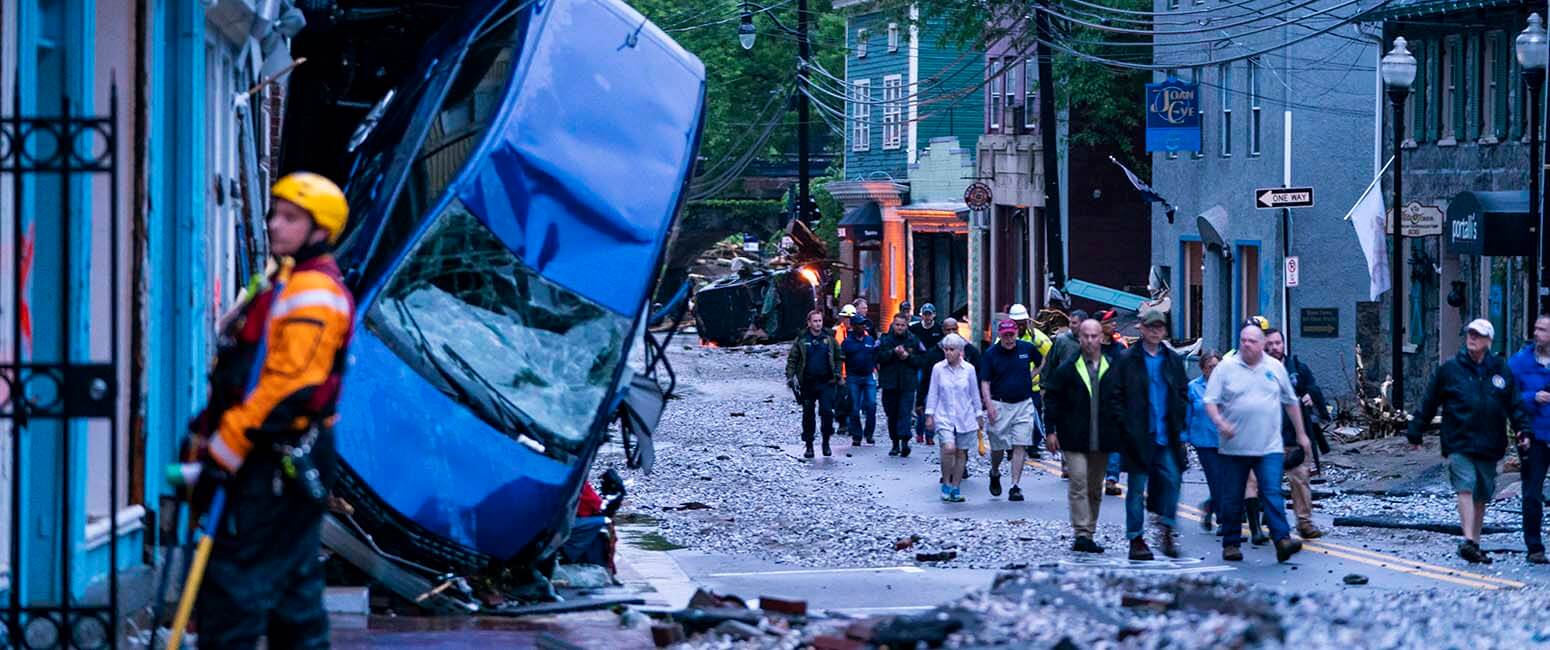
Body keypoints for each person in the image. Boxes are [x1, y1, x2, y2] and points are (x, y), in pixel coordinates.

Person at [185, 172, 355, 648]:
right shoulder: (284, 280)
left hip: (275, 455)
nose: (274, 225)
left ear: (320, 231)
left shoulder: (313, 295)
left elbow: (288, 387)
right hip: (278, 453)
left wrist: (225, 448)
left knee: (235, 587)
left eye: (290, 218)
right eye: (274, 214)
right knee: (292, 594)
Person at [1409, 318, 1531, 564]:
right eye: (1470, 334)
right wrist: (1416, 431)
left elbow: (1515, 405)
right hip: (1458, 439)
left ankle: (1474, 542)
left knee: (1482, 492)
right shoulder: (1450, 370)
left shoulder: (1500, 370)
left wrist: (1523, 431)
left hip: (1490, 441)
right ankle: (1467, 538)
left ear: (1488, 341)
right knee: (1465, 484)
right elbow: (1430, 401)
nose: (1472, 338)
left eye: (1478, 335)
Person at [1204, 323, 1310, 563]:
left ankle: (1282, 539)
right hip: (1235, 447)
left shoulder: (1274, 368)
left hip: (1269, 445)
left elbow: (1290, 401)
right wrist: (1220, 422)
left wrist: (1302, 434)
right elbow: (1210, 400)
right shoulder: (1226, 368)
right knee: (1232, 496)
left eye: (1252, 341)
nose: (1246, 344)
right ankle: (1231, 543)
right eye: (1243, 340)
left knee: (1272, 492)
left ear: (1262, 345)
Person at [1114, 308, 1189, 560]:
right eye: (1151, 327)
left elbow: (1181, 391)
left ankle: (1166, 527)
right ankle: (1135, 538)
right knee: (1136, 488)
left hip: (1166, 433)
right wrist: (1124, 426)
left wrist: (1180, 423)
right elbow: (1116, 395)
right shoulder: (1127, 359)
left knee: (1173, 479)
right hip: (1138, 434)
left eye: (1160, 327)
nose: (1156, 331)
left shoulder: (1172, 359)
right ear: (1142, 328)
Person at [1044, 319, 1125, 553]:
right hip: (1074, 437)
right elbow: (1052, 398)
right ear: (1079, 338)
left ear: (1102, 338)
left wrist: (1123, 429)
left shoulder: (1112, 366)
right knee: (1078, 482)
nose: (1090, 340)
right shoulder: (1068, 368)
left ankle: (1089, 531)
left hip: (1103, 437)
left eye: (1094, 336)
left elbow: (1122, 400)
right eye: (1085, 336)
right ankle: (1080, 533)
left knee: (1094, 487)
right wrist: (1050, 431)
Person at [1265, 328, 1327, 539]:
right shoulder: (1259, 370)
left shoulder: (1297, 369)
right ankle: (1267, 520)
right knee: (1267, 484)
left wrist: (1310, 395)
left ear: (1283, 344)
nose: (1274, 347)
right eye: (1270, 343)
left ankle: (1304, 522)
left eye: (1277, 343)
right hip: (1267, 437)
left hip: (1294, 435)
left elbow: (1314, 387)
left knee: (1300, 480)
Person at [978, 319, 1039, 501]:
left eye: (1012, 334)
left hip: (1023, 403)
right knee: (998, 446)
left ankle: (1015, 486)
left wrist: (1031, 376)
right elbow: (985, 382)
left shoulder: (1026, 348)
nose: (1009, 338)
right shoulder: (991, 354)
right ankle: (995, 472)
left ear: (1016, 333)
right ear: (1000, 335)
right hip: (1000, 404)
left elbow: (1041, 362)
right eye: (1005, 335)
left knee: (1020, 443)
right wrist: (988, 405)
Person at [1508, 314, 1550, 565]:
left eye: (1543, 330)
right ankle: (1534, 547)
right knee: (1532, 492)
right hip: (1534, 434)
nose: (1537, 333)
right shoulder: (1521, 362)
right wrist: (1533, 397)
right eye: (1536, 328)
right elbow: (1507, 395)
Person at [926, 334, 985, 502]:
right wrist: (929, 415)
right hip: (944, 415)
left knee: (961, 452)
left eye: (952, 350)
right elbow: (933, 392)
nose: (948, 353)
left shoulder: (969, 370)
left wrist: (979, 415)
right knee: (948, 448)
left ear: (960, 351)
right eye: (946, 349)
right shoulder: (938, 369)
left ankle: (955, 487)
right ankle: (946, 481)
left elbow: (974, 394)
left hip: (965, 416)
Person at [786, 310, 842, 459]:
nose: (818, 324)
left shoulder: (829, 339)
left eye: (820, 321)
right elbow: (793, 359)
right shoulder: (802, 339)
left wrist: (837, 373)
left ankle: (826, 442)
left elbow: (838, 356)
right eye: (815, 321)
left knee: (827, 412)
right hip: (808, 383)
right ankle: (809, 444)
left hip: (826, 382)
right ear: (809, 323)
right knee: (808, 414)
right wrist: (790, 377)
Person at [1186, 350, 1225, 533]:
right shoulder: (1193, 388)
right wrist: (1183, 440)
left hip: (1227, 440)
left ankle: (1209, 506)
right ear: (1202, 369)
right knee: (1216, 480)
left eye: (1217, 367)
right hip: (1204, 442)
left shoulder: (1229, 387)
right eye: (1210, 367)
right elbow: (1187, 415)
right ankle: (1224, 520)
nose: (1214, 370)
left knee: (1229, 481)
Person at [878, 314, 927, 457]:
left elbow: (923, 360)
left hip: (907, 384)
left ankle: (905, 442)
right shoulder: (885, 340)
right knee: (892, 414)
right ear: (893, 325)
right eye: (897, 325)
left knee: (905, 413)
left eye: (902, 325)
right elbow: (877, 357)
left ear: (907, 326)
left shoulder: (914, 340)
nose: (900, 327)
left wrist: (908, 357)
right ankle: (894, 443)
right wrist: (893, 353)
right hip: (889, 384)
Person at [1010, 304, 1053, 458]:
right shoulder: (1005, 337)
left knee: (1034, 417)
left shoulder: (1037, 338)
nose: (1020, 326)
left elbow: (1050, 357)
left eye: (1022, 322)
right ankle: (1012, 447)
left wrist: (1043, 380)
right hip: (1012, 386)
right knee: (1012, 417)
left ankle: (1034, 446)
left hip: (1033, 387)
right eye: (1017, 323)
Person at [1098, 309, 1128, 495]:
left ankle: (1111, 478)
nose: (1114, 325)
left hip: (1115, 402)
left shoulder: (1120, 348)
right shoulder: (1090, 348)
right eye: (1109, 322)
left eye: (1114, 322)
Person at [840, 314, 880, 446]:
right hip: (853, 378)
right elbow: (841, 360)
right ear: (853, 326)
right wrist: (841, 376)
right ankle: (857, 435)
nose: (863, 326)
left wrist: (877, 372)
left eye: (864, 324)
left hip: (869, 376)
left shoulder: (869, 340)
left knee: (872, 405)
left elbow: (876, 357)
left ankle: (869, 434)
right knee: (854, 408)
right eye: (860, 324)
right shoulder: (847, 343)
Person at [912, 303, 947, 444]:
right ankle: (920, 432)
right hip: (920, 367)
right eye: (925, 314)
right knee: (923, 399)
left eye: (929, 314)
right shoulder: (914, 329)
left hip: (936, 367)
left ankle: (930, 434)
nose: (927, 317)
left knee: (934, 401)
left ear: (934, 315)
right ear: (921, 315)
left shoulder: (939, 329)